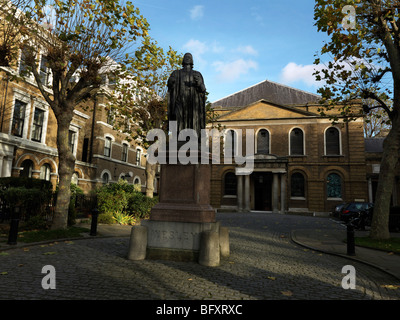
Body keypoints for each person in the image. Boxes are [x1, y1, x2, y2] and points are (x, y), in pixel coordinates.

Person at [167, 53, 206, 140]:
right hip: (180, 101)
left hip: (193, 103)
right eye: (186, 57)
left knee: (193, 120)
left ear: (192, 61)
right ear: (183, 60)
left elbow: (203, 90)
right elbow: (170, 86)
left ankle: (192, 139)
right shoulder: (176, 73)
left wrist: (199, 83)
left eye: (189, 57)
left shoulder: (197, 74)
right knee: (177, 118)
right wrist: (171, 81)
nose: (187, 58)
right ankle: (177, 138)